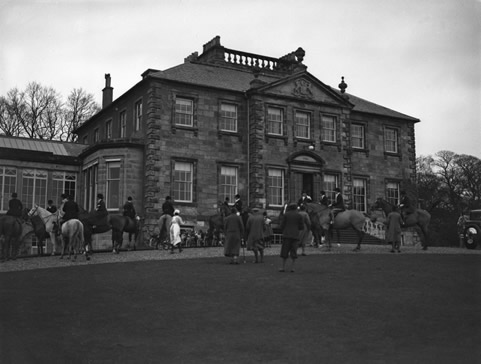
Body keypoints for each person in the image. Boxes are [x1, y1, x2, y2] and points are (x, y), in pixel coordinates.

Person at [279, 203, 304, 272]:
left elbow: (282, 225)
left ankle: (283, 267)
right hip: (295, 235)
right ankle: (292, 268)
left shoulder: (286, 215)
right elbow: (301, 226)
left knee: (284, 252)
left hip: (286, 235)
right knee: (294, 252)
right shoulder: (299, 215)